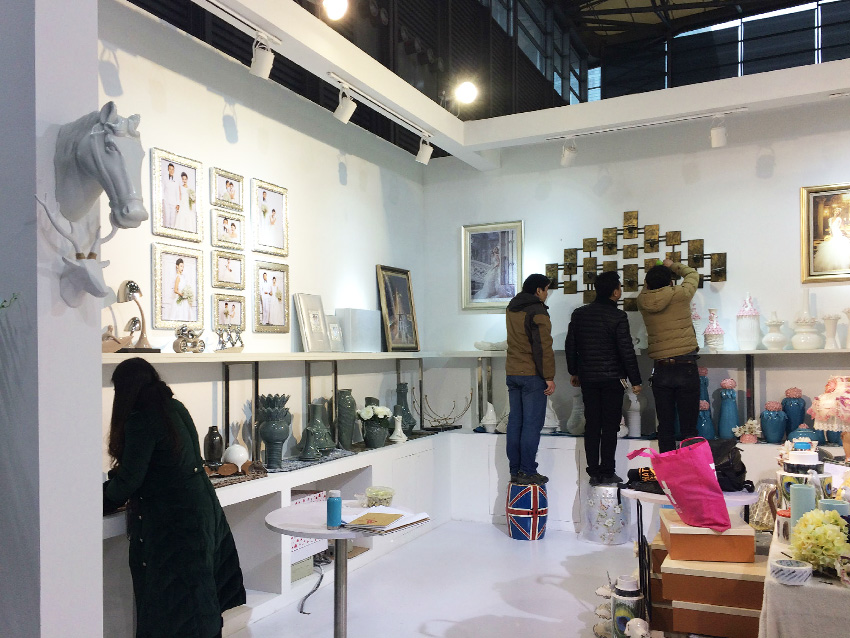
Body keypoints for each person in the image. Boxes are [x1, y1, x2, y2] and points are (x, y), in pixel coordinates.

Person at [102, 358, 246, 638]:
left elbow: (130, 481)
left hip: (174, 520)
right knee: (199, 593)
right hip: (202, 508)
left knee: (174, 604)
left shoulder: (141, 419)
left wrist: (98, 501)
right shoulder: (174, 407)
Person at [566, 271, 642, 485]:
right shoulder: (618, 316)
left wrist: (574, 371)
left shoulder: (579, 314)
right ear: (615, 292)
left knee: (592, 424)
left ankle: (593, 471)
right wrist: (636, 380)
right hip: (612, 379)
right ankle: (607, 471)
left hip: (588, 378)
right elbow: (626, 350)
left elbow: (571, 345)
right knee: (610, 426)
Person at [637, 258, 700, 453]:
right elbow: (692, 274)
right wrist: (672, 265)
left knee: (665, 427)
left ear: (647, 284)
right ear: (671, 282)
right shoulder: (680, 294)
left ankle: (667, 469)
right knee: (689, 428)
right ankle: (691, 468)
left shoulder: (642, 300)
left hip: (661, 369)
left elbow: (647, 288)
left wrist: (653, 277)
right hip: (686, 365)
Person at [505, 273, 556, 485]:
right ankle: (527, 470)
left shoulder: (512, 307)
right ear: (538, 290)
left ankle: (515, 470)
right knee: (531, 424)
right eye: (546, 290)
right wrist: (549, 376)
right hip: (532, 374)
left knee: (515, 422)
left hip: (512, 372)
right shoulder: (537, 310)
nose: (547, 294)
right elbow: (543, 347)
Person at [813, 207, 850, 272]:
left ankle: (839, 264)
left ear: (839, 213)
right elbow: (830, 228)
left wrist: (847, 233)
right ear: (834, 211)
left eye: (838, 212)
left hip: (838, 234)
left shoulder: (839, 219)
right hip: (833, 235)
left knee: (838, 248)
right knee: (829, 247)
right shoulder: (829, 219)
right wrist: (830, 234)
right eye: (836, 211)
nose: (837, 212)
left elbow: (842, 227)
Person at [169, 258, 194, 322]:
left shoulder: (183, 277)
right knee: (179, 315)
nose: (182, 268)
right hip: (180, 299)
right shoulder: (178, 277)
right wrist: (182, 294)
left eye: (183, 266)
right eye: (181, 266)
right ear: (177, 266)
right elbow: (175, 290)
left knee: (185, 316)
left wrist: (187, 294)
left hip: (184, 300)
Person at [162, 163, 180, 228]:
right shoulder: (164, 178)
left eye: (172, 169)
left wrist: (178, 203)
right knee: (167, 218)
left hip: (174, 202)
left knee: (173, 219)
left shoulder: (176, 180)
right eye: (170, 169)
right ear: (168, 169)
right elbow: (162, 189)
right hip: (166, 201)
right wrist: (163, 199)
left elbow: (177, 192)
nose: (171, 171)